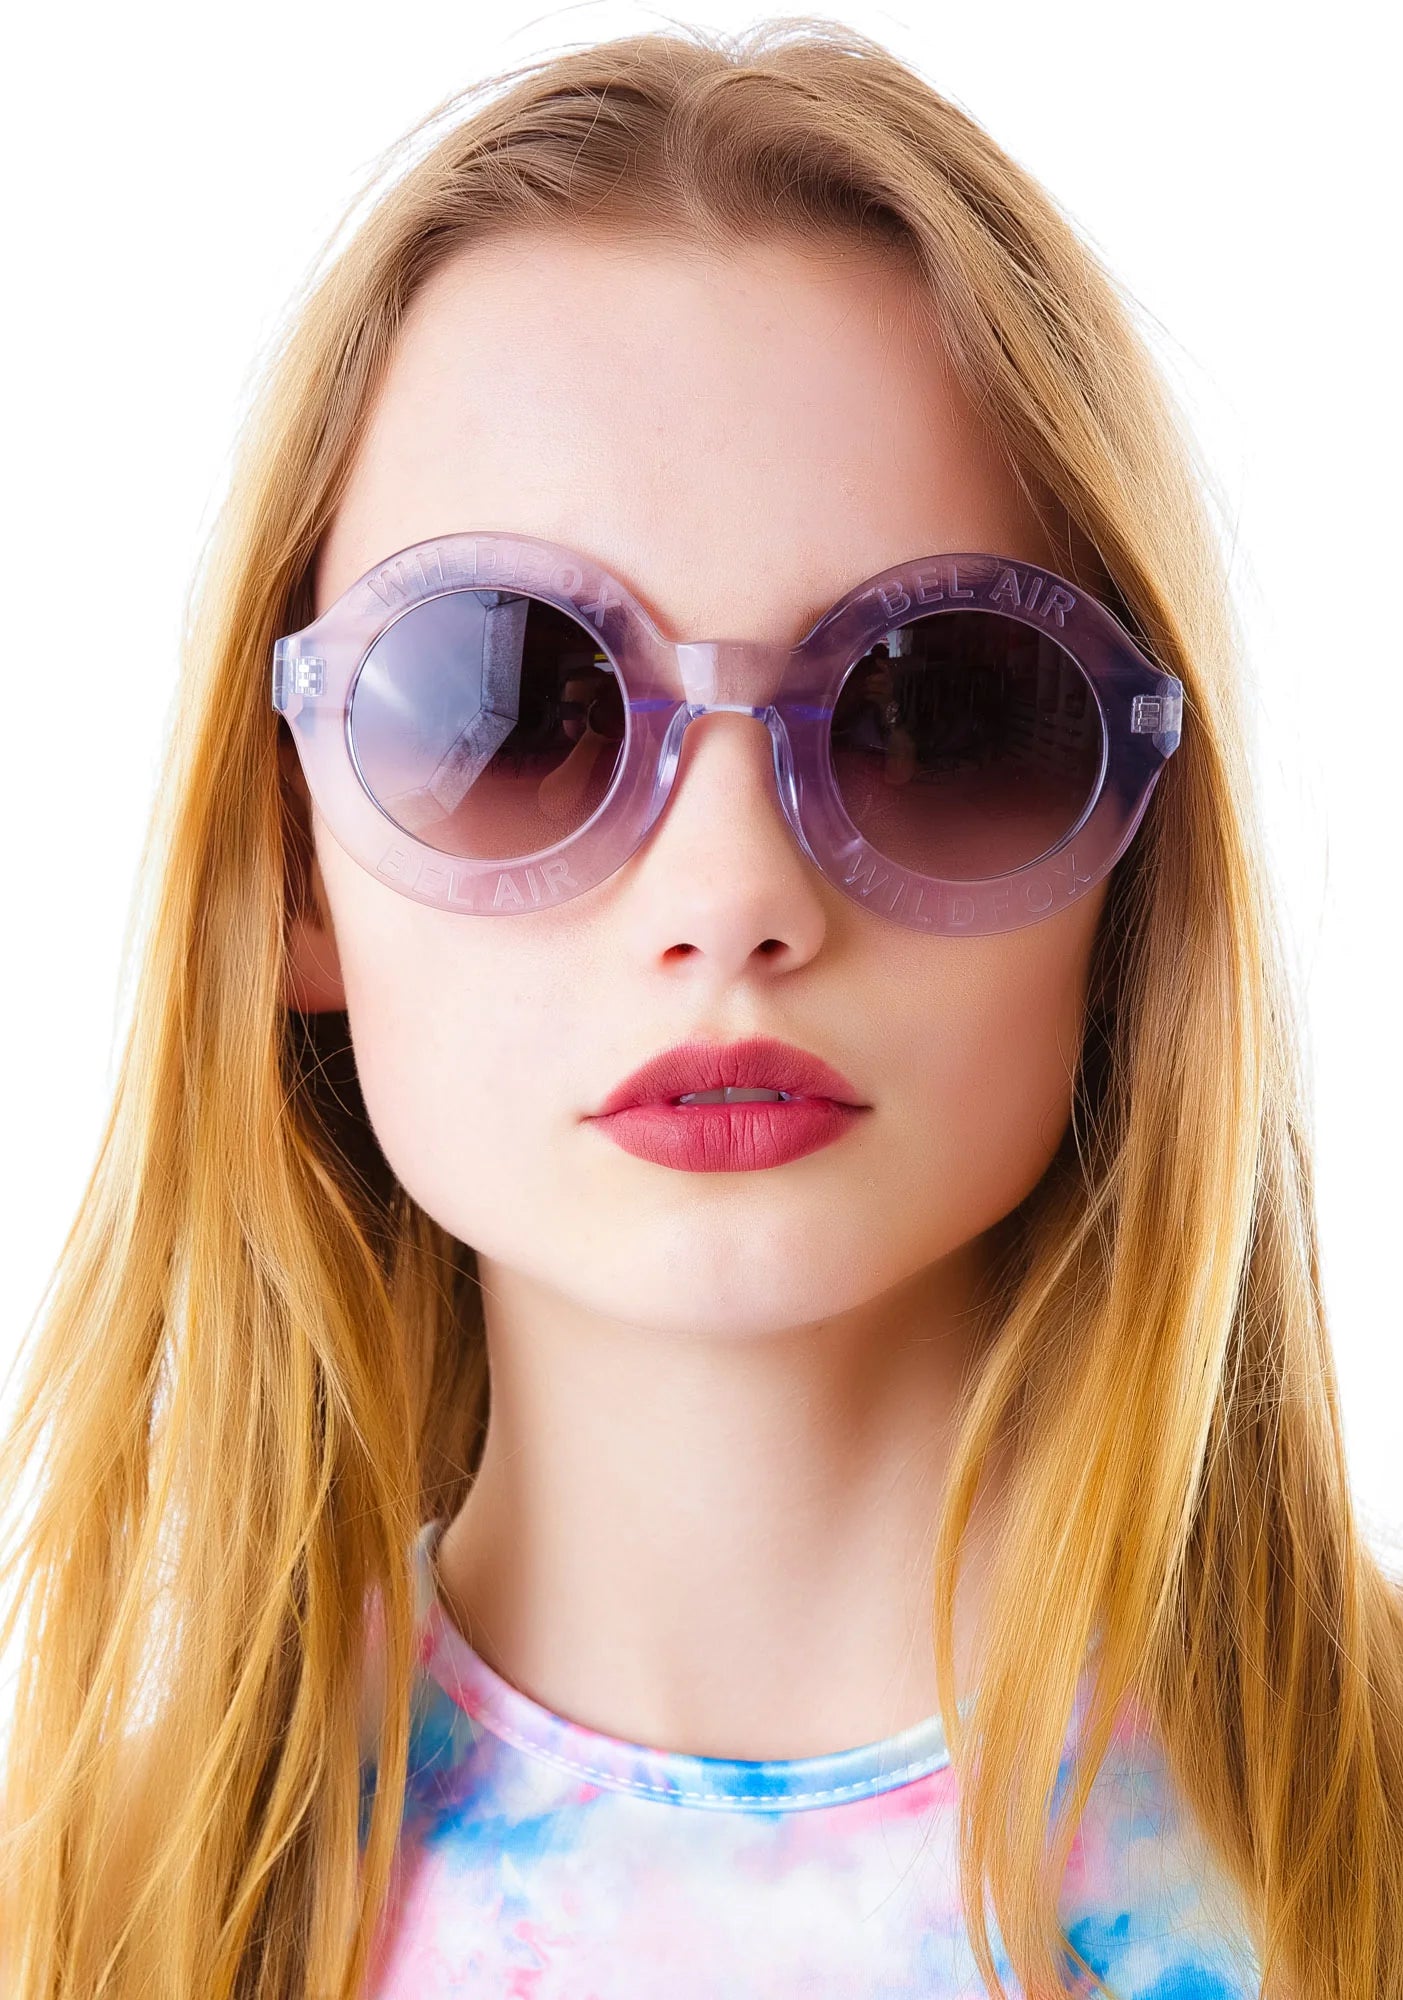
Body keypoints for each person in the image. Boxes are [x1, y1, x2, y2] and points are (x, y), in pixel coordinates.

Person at [1, 18, 1399, 2000]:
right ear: (293, 866)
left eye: (940, 711)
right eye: (514, 703)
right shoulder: (83, 1925)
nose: (735, 896)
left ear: (1132, 854)